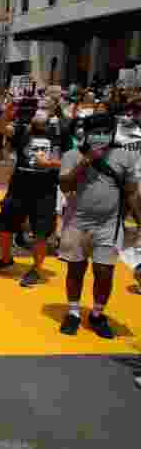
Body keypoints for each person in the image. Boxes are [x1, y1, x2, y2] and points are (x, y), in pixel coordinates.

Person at [57, 114, 141, 338]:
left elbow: (132, 192)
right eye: (96, 131)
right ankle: (73, 312)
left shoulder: (125, 156)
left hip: (109, 224)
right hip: (77, 222)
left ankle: (97, 314)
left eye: (106, 131)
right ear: (86, 132)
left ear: (113, 133)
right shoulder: (72, 155)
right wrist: (85, 162)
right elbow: (65, 185)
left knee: (104, 272)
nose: (101, 136)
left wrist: (140, 220)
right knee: (76, 269)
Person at [0, 103, 69, 286]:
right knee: (6, 227)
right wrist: (6, 113)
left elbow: (69, 160)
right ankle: (6, 259)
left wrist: (49, 165)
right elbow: (1, 128)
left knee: (40, 233)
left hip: (44, 191)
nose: (39, 112)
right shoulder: (23, 130)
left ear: (51, 114)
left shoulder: (60, 133)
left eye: (44, 109)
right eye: (38, 109)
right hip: (18, 189)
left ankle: (37, 269)